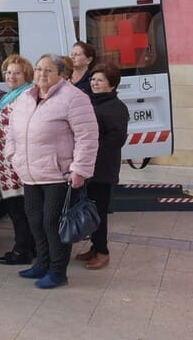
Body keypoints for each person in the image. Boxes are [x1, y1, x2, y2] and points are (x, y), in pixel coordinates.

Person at [6, 53, 98, 289]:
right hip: (30, 174)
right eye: (38, 69)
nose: (42, 74)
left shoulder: (74, 98)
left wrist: (80, 169)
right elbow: (12, 132)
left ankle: (58, 271)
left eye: (48, 70)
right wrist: (13, 157)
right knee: (35, 221)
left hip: (60, 175)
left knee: (52, 223)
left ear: (61, 74)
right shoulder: (26, 97)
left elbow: (87, 137)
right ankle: (42, 264)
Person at [75, 63, 129, 270]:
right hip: (88, 167)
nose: (94, 83)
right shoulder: (91, 102)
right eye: (93, 79)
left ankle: (103, 251)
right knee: (89, 210)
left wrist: (90, 155)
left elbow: (115, 140)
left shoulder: (115, 107)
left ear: (112, 85)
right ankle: (94, 246)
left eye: (100, 80)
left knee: (98, 212)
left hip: (101, 169)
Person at [0, 55, 35, 265]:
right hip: (6, 164)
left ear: (26, 75)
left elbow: (24, 131)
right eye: (8, 72)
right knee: (19, 209)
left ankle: (22, 250)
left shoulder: (25, 96)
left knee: (19, 211)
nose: (11, 76)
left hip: (16, 165)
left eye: (16, 72)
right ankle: (29, 247)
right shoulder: (10, 96)